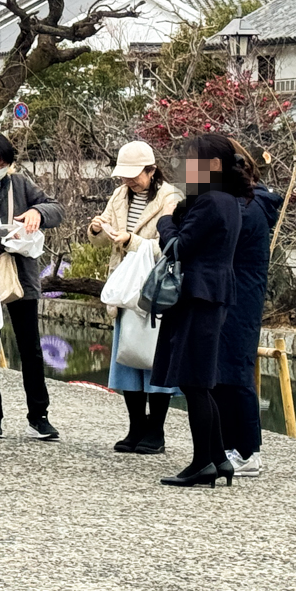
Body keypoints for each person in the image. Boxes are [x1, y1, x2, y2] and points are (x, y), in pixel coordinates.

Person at [151, 132, 249, 487]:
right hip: (212, 293)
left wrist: (165, 220)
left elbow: (178, 247)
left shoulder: (211, 202)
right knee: (200, 381)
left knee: (195, 381)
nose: (187, 167)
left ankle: (201, 462)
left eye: (193, 160)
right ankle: (219, 458)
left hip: (199, 294)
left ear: (213, 165)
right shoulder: (227, 200)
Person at [0, 132, 63, 442]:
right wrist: (3, 235)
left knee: (30, 347)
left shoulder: (20, 184)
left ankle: (39, 415)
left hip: (20, 275)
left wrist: (36, 213)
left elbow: (55, 209)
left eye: (3, 163)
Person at [88, 139, 183, 454]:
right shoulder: (119, 195)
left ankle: (156, 429)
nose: (128, 180)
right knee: (128, 357)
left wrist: (132, 241)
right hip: (125, 287)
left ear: (152, 170)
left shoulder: (171, 198)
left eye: (135, 175)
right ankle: (135, 427)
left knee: (155, 359)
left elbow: (169, 246)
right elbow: (103, 243)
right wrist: (98, 229)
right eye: (124, 174)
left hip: (155, 288)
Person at [217, 146, 282, 479]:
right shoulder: (243, 203)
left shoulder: (250, 207)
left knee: (238, 373)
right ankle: (231, 446)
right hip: (233, 294)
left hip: (240, 298)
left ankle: (247, 450)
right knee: (224, 375)